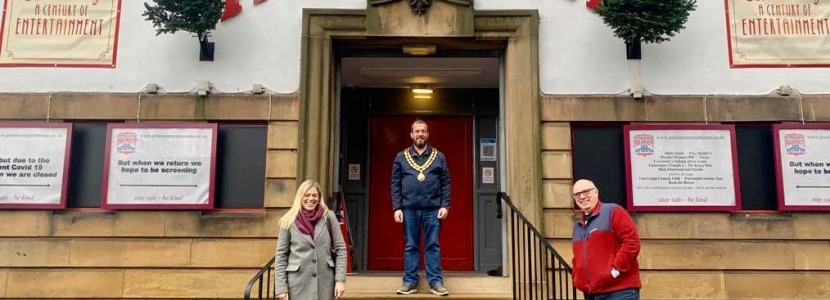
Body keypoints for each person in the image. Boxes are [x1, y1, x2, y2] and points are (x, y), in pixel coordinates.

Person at [391, 119, 451, 296]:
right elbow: (395, 184)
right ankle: (410, 282)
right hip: (409, 209)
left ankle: (436, 282)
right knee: (411, 245)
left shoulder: (439, 156)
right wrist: (397, 208)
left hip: (433, 209)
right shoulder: (401, 157)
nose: (420, 134)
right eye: (417, 131)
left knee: (433, 245)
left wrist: (445, 205)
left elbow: (446, 183)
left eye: (423, 131)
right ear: (411, 134)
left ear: (428, 134)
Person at [274, 180, 347, 300]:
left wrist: (340, 280)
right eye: (307, 195)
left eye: (314, 195)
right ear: (300, 197)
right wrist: (281, 288)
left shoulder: (329, 217)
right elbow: (281, 255)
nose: (311, 198)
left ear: (319, 198)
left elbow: (341, 249)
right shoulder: (288, 220)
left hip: (325, 284)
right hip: (297, 285)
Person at [571, 179, 642, 300]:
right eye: (577, 194)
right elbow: (577, 258)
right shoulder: (578, 227)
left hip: (620, 292)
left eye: (586, 191)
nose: (582, 197)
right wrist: (577, 278)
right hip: (592, 294)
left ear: (596, 192)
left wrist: (615, 271)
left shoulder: (613, 211)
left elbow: (632, 243)